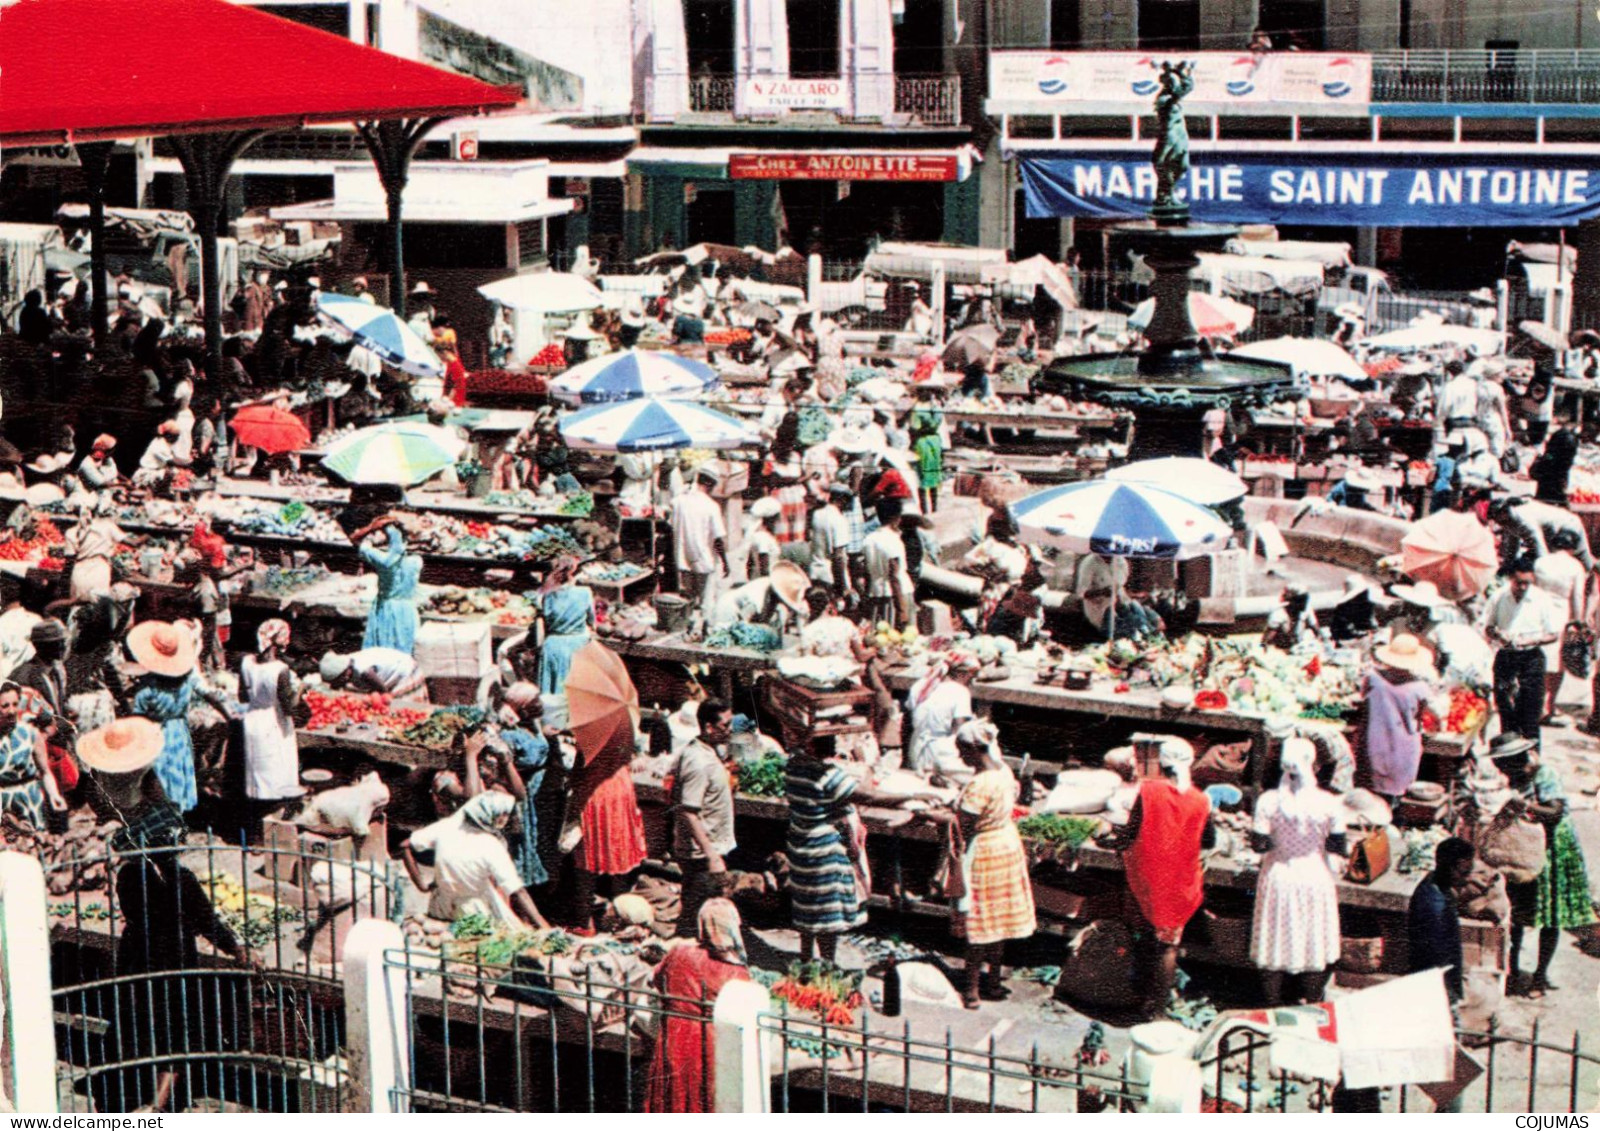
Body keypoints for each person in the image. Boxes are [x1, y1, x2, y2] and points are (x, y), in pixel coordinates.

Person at [83, 718, 254, 1113]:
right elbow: (206, 918)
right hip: (172, 956)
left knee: (139, 1026)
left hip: (137, 953)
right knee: (177, 1033)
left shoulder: (130, 873)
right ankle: (158, 1106)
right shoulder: (179, 879)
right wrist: (238, 948)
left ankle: (140, 1095)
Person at [917, 721, 1036, 1008]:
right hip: (1006, 843)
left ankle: (971, 991)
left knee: (979, 924)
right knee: (998, 923)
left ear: (973, 748)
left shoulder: (979, 784)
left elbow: (962, 824)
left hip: (984, 851)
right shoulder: (1003, 772)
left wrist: (927, 814)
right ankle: (993, 982)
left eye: (962, 750)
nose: (960, 757)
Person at [1484, 733, 1595, 999]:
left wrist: (1527, 805)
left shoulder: (1545, 775)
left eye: (1502, 763)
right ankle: (1511, 970)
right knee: (1519, 912)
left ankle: (1539, 976)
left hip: (1553, 847)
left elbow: (1555, 811)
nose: (1499, 769)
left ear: (1515, 759)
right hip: (1527, 847)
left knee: (1550, 915)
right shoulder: (1517, 776)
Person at [1108, 737, 1213, 1019]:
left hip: (1147, 876)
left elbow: (1130, 832)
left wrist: (1111, 843)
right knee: (1168, 945)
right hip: (1179, 880)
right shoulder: (1201, 800)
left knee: (1143, 935)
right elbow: (1208, 839)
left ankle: (1138, 995)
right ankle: (1157, 1009)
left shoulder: (1150, 791)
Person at [1249, 737, 1345, 1005]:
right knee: (1314, 940)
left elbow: (1258, 844)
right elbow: (1337, 844)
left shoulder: (1269, 800)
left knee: (1274, 941)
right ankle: (1313, 1000)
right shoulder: (1329, 803)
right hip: (1314, 877)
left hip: (1279, 876)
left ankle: (1273, 1003)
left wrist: (1279, 843)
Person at [643, 898, 752, 1113]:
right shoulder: (735, 972)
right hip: (708, 1040)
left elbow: (656, 980)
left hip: (673, 1034)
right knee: (703, 1097)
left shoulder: (678, 952)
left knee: (671, 1095)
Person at [402, 791, 550, 929]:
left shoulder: (446, 826)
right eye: (504, 815)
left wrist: (421, 885)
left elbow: (405, 846)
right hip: (473, 912)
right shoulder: (490, 845)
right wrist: (543, 925)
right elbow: (517, 892)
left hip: (440, 906)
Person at [785, 735, 871, 964]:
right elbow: (866, 797)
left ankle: (805, 961)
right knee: (826, 914)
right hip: (823, 850)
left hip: (800, 845)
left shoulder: (793, 767)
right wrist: (912, 796)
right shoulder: (829, 775)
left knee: (805, 906)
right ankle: (827, 965)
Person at [674, 699, 737, 935]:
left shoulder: (708, 753)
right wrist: (711, 855)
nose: (729, 730)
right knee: (697, 917)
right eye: (725, 725)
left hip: (711, 846)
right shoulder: (697, 762)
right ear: (709, 727)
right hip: (701, 853)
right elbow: (688, 811)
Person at [1483, 558, 1564, 743]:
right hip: (1506, 657)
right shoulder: (1499, 596)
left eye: (1527, 583)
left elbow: (1553, 634)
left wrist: (1532, 640)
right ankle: (1508, 757)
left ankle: (1531, 757)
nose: (1523, 587)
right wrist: (1499, 635)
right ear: (1511, 579)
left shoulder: (1541, 599)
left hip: (1531, 658)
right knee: (1505, 708)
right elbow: (1488, 627)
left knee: (1530, 711)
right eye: (1519, 583)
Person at [127, 621, 204, 815]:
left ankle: (161, 819)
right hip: (178, 730)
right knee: (177, 771)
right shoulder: (186, 680)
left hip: (156, 732)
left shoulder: (148, 688)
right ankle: (178, 817)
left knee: (159, 776)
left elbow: (139, 716)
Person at [237, 619, 302, 832]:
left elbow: (243, 695)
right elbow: (290, 706)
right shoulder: (280, 670)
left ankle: (255, 831)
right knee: (278, 775)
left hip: (253, 721)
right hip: (275, 724)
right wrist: (301, 689)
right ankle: (273, 831)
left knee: (258, 777)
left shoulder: (246, 663)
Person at [493, 683, 556, 889]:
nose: (541, 704)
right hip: (522, 792)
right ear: (523, 707)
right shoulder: (509, 735)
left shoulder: (533, 724)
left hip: (540, 793)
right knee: (518, 844)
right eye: (535, 701)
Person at [1362, 634, 1436, 805]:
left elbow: (1362, 698)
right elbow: (1431, 714)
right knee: (1396, 797)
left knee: (1371, 795)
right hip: (1403, 749)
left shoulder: (1373, 678)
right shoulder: (1419, 687)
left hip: (1374, 744)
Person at [1408, 836, 1477, 1009]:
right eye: (1463, 873)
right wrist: (1451, 998)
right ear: (1447, 867)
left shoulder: (1437, 885)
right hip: (1435, 988)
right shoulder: (1433, 908)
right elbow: (1436, 962)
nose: (1468, 878)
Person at [1534, 528, 1588, 724]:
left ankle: (1536, 705)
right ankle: (1550, 706)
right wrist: (1578, 622)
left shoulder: (1540, 562)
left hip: (1538, 614)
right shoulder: (1575, 567)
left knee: (1537, 660)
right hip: (1561, 616)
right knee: (1557, 665)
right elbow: (1577, 597)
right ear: (1572, 547)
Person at [348, 516, 422, 654]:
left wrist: (372, 527)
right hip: (408, 608)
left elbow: (354, 539)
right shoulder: (416, 561)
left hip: (387, 608)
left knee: (385, 645)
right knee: (406, 646)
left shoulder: (384, 562)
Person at [0, 681, 66, 828]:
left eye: (15, 704)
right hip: (3, 801)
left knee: (35, 842)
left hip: (30, 798)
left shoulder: (30, 734)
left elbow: (45, 772)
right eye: (5, 706)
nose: (11, 711)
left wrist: (54, 794)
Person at [906, 651, 978, 774]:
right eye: (971, 676)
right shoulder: (960, 692)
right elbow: (960, 729)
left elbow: (910, 711)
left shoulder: (922, 685)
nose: (971, 681)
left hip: (915, 747)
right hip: (940, 750)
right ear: (962, 674)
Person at [535, 556, 595, 697]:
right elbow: (592, 622)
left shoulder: (547, 596)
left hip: (552, 647)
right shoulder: (585, 593)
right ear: (574, 575)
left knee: (550, 695)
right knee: (574, 695)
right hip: (577, 647)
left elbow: (543, 622)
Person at [672, 471, 729, 617]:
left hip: (683, 557)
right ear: (710, 485)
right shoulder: (711, 506)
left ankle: (687, 624)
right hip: (704, 558)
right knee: (706, 600)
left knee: (687, 596)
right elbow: (718, 539)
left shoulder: (679, 501)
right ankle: (704, 628)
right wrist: (724, 561)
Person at [1492, 496, 1595, 570]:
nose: (1499, 521)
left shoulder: (1524, 519)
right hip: (1553, 534)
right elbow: (1511, 547)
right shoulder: (1509, 521)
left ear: (1506, 511)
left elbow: (1540, 549)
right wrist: (1506, 568)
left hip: (1568, 526)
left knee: (1584, 563)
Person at [863, 503, 911, 629]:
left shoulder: (869, 539)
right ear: (897, 518)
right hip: (895, 596)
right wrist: (902, 610)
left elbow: (866, 571)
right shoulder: (893, 540)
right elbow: (894, 576)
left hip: (876, 593)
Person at [318, 647, 427, 699]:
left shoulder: (364, 670)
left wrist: (382, 698)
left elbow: (383, 691)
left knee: (400, 706)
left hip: (407, 670)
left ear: (345, 674)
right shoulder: (345, 663)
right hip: (390, 673)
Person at [809, 482, 854, 602]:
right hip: (831, 576)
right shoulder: (839, 520)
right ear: (842, 499)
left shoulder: (817, 514)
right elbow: (838, 556)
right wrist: (843, 587)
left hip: (815, 571)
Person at [1075, 552, 1130, 641]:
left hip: (1121, 604)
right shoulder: (1089, 563)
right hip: (1100, 608)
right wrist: (1103, 592)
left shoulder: (1120, 561)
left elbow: (1121, 584)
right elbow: (1082, 593)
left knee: (1137, 610)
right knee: (1111, 619)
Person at [909, 387, 946, 514]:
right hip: (929, 442)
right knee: (929, 475)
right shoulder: (928, 406)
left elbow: (917, 426)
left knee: (927, 476)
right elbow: (935, 422)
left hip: (927, 442)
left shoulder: (924, 407)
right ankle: (930, 508)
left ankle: (929, 509)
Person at [1530, 411, 1579, 505]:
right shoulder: (1571, 437)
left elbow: (1550, 455)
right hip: (1560, 475)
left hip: (1550, 475)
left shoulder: (1559, 436)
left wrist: (1542, 460)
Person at [1263, 584, 1321, 652]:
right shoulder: (1278, 614)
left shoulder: (1307, 611)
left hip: (1299, 647)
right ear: (1293, 601)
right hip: (1282, 649)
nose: (1304, 603)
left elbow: (1316, 629)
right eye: (1300, 600)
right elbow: (1268, 638)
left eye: (1305, 600)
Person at [741, 498, 782, 581]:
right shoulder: (763, 537)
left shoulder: (758, 535)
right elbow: (764, 564)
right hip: (766, 581)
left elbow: (750, 563)